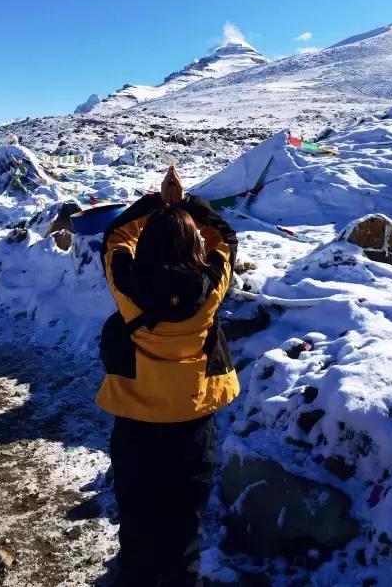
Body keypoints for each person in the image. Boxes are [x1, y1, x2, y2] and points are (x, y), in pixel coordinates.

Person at [96, 165, 240, 587]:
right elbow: (225, 240)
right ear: (193, 246)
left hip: (135, 425)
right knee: (184, 532)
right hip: (193, 426)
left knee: (138, 527)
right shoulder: (209, 289)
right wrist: (188, 205)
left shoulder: (127, 284)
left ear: (146, 248)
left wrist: (158, 203)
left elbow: (115, 237)